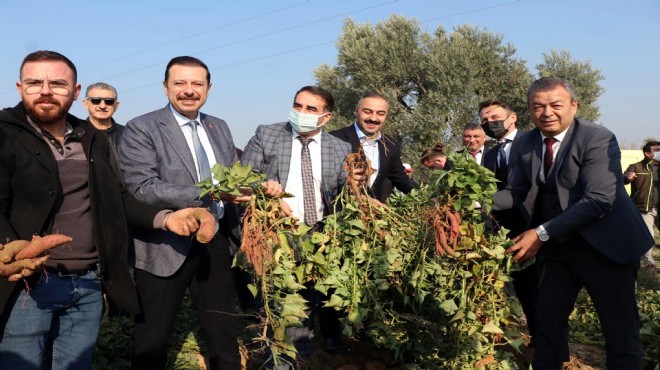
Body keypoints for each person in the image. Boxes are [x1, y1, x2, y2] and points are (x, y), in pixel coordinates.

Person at [0, 50, 215, 370]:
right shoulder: (4, 134)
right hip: (29, 287)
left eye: (57, 83)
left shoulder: (91, 139)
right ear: (20, 88)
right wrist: (5, 244)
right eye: (35, 83)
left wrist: (168, 218)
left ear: (75, 92)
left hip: (87, 286)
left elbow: (118, 199)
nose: (45, 90)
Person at [119, 56, 282, 370]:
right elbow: (143, 186)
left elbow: (233, 175)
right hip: (163, 243)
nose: (188, 90)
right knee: (152, 336)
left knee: (223, 329)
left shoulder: (217, 126)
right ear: (166, 87)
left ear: (208, 88)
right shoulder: (142, 127)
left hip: (214, 241)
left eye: (197, 84)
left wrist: (261, 187)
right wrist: (208, 192)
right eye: (180, 83)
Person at [493, 77, 653, 369]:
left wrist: (541, 233)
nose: (547, 113)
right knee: (547, 324)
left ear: (574, 105)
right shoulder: (526, 142)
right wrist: (476, 201)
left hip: (606, 245)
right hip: (558, 248)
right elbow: (516, 192)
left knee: (619, 330)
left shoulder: (596, 137)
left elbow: (599, 200)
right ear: (529, 110)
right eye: (538, 106)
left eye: (556, 105)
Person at [241, 85, 352, 356]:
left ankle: (298, 356)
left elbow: (341, 195)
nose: (301, 112)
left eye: (310, 109)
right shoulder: (267, 134)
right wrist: (265, 189)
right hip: (275, 232)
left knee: (306, 301)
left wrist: (356, 183)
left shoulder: (340, 148)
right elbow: (245, 175)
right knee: (274, 299)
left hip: (318, 234)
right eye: (298, 105)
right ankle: (275, 359)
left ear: (326, 117)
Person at [479, 99, 537, 354]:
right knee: (522, 286)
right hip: (506, 230)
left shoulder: (533, 143)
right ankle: (535, 338)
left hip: (536, 227)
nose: (489, 123)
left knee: (542, 288)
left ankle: (550, 344)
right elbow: (490, 191)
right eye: (484, 120)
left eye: (494, 117)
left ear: (512, 117)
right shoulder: (490, 154)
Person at [330, 92, 416, 202]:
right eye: (367, 112)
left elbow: (400, 179)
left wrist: (427, 198)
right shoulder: (334, 139)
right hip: (339, 214)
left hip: (372, 215)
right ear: (356, 111)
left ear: (386, 117)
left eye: (380, 113)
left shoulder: (390, 144)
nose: (373, 118)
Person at [623, 140, 660, 269]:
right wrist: (628, 176)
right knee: (648, 236)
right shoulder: (636, 167)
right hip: (645, 208)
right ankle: (649, 264)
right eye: (657, 150)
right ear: (647, 154)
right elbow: (623, 179)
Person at [82, 82, 123, 150]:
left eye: (109, 101)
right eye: (96, 101)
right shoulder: (76, 135)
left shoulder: (128, 134)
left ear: (116, 105)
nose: (102, 106)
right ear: (86, 104)